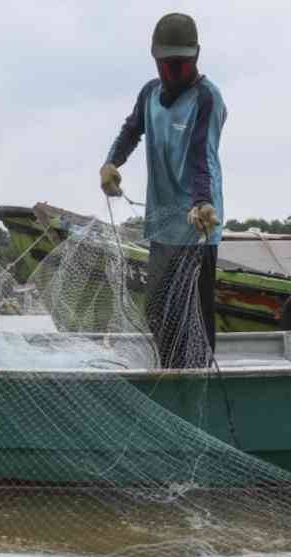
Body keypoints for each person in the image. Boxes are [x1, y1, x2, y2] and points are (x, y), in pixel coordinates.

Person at [99, 13, 227, 368]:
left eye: (179, 64)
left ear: (195, 57)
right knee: (157, 310)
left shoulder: (206, 98)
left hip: (198, 226)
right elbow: (131, 130)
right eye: (165, 64)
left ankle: (198, 376)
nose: (171, 71)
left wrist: (203, 202)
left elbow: (202, 155)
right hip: (162, 226)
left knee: (194, 317)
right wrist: (111, 163)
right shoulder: (149, 94)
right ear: (155, 59)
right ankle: (171, 373)